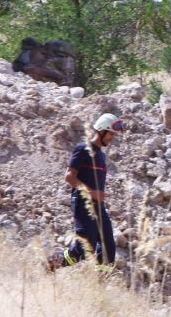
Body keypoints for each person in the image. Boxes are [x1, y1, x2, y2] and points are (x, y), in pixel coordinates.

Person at [49, 113, 126, 270]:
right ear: (102, 131)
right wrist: (92, 193)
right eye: (111, 133)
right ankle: (49, 263)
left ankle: (99, 285)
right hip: (83, 204)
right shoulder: (83, 149)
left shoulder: (101, 156)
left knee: (107, 248)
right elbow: (69, 177)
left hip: (99, 206)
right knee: (82, 249)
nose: (113, 138)